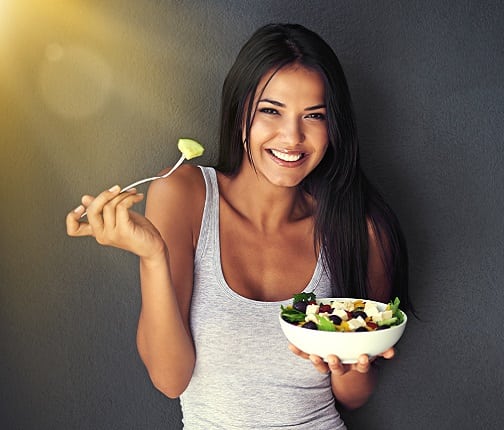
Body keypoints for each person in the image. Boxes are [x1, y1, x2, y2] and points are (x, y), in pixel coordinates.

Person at [66, 23, 409, 429]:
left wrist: (351, 361)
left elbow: (352, 396)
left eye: (313, 116)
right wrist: (153, 256)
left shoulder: (359, 228)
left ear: (332, 126)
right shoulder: (183, 192)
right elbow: (170, 379)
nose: (292, 136)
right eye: (271, 110)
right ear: (240, 111)